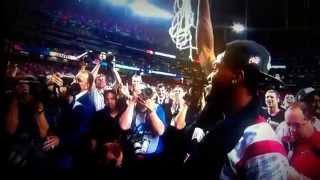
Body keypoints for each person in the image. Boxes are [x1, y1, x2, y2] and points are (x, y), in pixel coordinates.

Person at [185, 0, 289, 178]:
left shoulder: (262, 145)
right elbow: (204, 47)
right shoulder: (218, 114)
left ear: (237, 78)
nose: (211, 73)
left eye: (218, 68)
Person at [285, 102, 320, 180]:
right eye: (289, 124)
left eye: (297, 125)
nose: (292, 129)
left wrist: (299, 178)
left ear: (311, 120)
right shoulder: (287, 142)